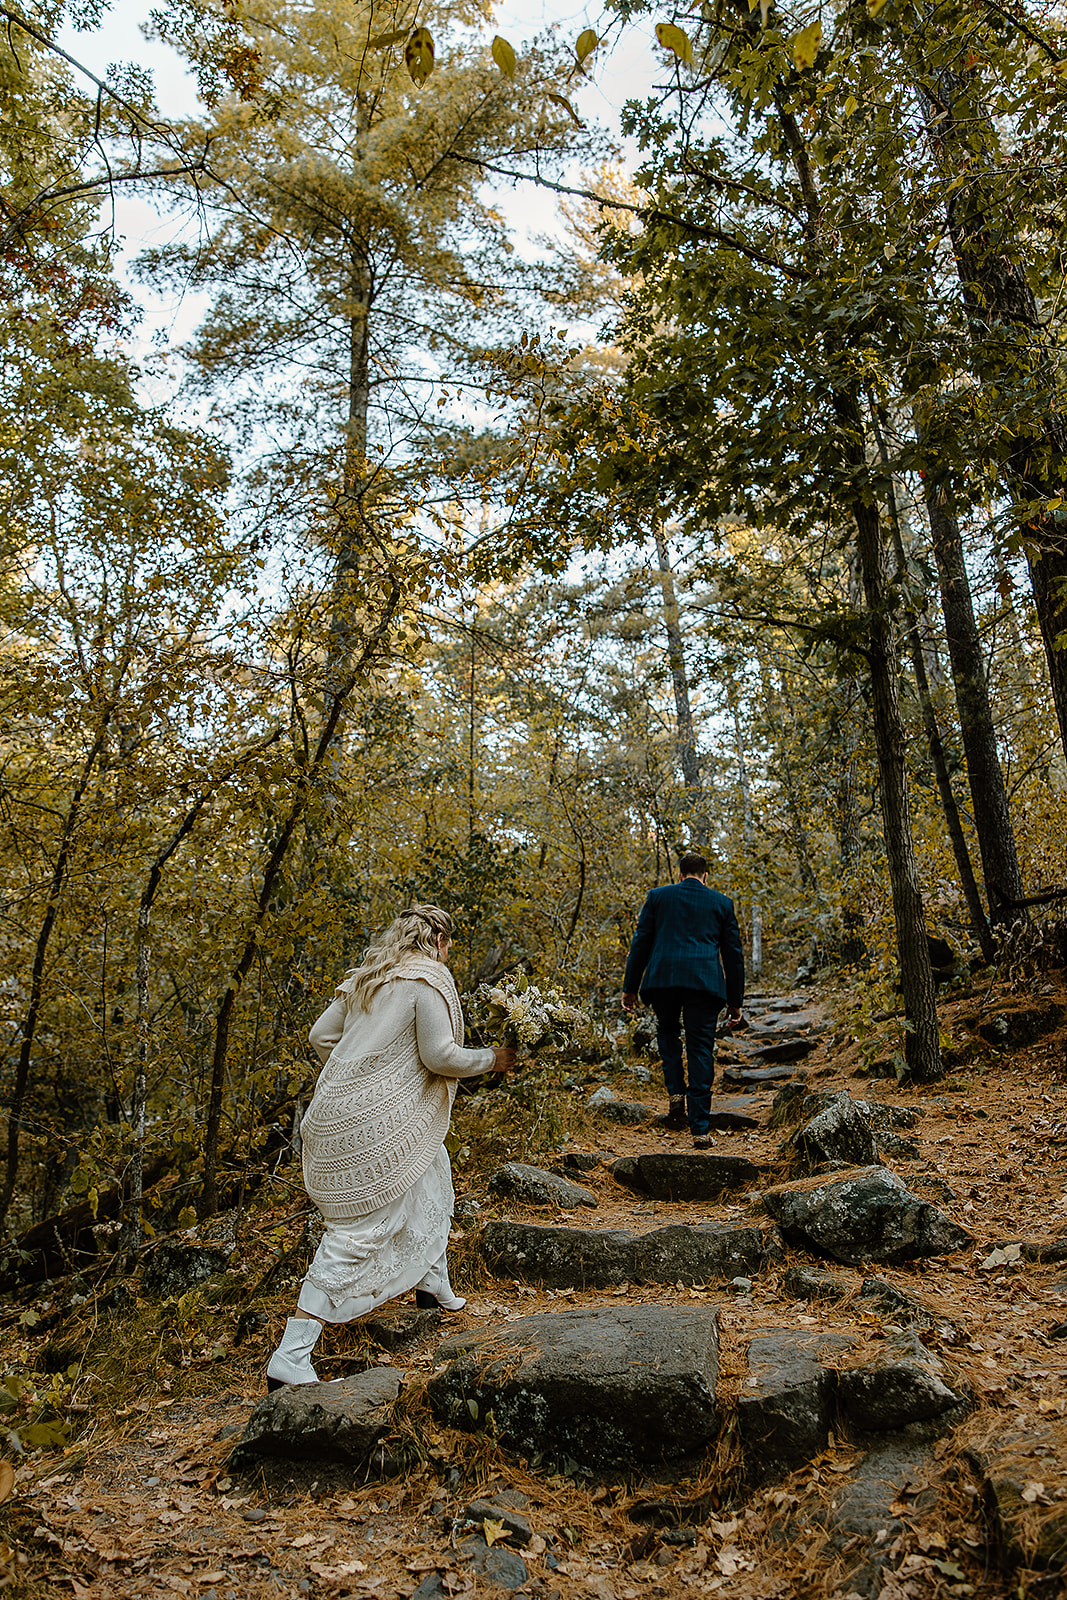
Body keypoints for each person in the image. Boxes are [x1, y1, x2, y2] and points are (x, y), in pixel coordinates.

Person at [266, 903, 514, 1390]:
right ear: (439, 941)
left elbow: (321, 1035)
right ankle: (290, 1356)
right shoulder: (428, 980)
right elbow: (439, 1055)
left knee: (432, 1168)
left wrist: (357, 1071)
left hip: (334, 1111)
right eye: (450, 945)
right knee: (359, 1232)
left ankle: (433, 1281)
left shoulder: (370, 976)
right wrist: (494, 1059)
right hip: (376, 1124)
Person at [622, 853, 744, 1149]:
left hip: (663, 979)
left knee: (667, 1032)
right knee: (701, 1047)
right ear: (705, 875)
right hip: (704, 983)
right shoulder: (722, 903)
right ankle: (700, 1129)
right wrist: (735, 1001)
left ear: (680, 875)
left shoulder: (657, 897)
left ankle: (676, 1092)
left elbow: (641, 942)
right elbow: (733, 955)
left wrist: (630, 988)